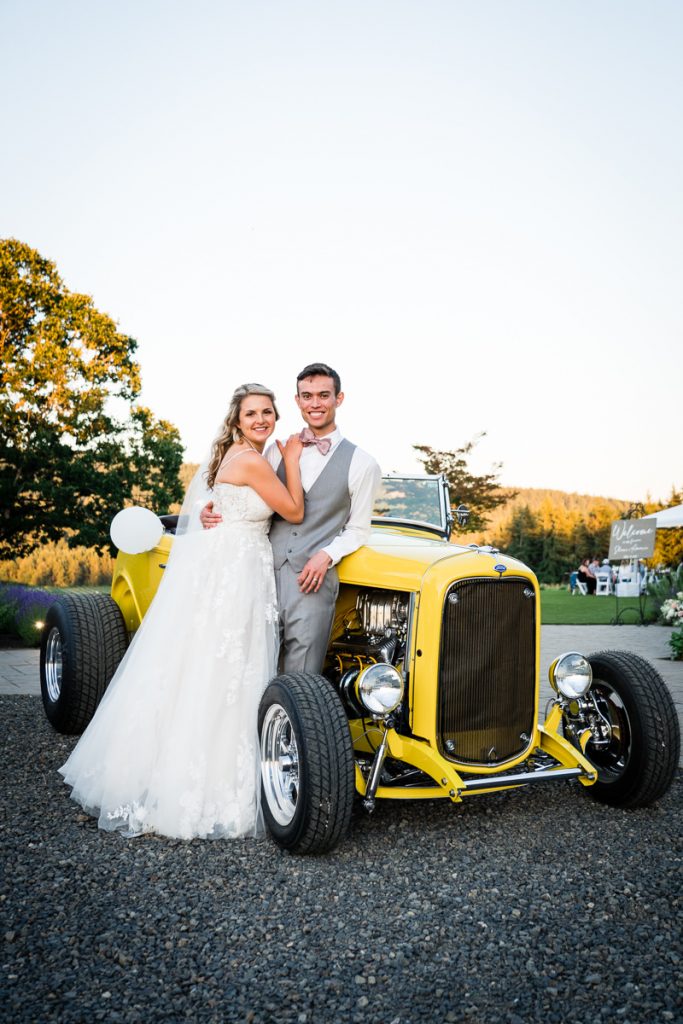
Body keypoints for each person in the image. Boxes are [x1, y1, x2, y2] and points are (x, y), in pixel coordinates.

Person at [59, 384, 304, 840]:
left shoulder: (233, 455)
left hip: (227, 562)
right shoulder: (253, 458)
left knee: (206, 666)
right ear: (236, 420)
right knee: (229, 669)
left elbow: (213, 507)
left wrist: (217, 508)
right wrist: (290, 460)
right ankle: (209, 786)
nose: (261, 419)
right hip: (238, 570)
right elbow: (291, 510)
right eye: (251, 413)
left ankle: (171, 772)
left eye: (267, 412)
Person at [201, 362, 382, 673]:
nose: (315, 404)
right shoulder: (274, 451)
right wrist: (210, 509)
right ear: (297, 401)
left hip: (310, 581)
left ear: (338, 399)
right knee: (253, 664)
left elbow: (358, 529)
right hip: (259, 575)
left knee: (301, 672)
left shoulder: (363, 463)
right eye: (307, 396)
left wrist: (325, 556)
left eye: (323, 395)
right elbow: (242, 493)